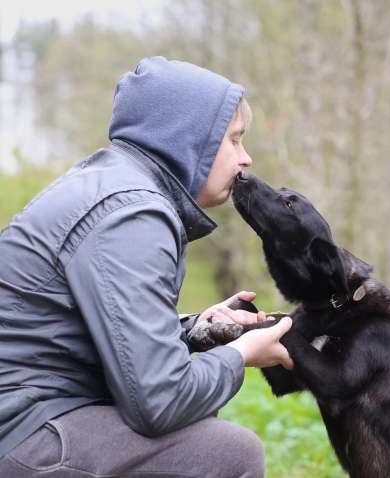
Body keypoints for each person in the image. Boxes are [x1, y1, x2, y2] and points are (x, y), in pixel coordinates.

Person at [0, 56, 293, 478]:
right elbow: (161, 401)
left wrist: (194, 332)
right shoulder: (132, 216)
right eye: (233, 140)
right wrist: (240, 353)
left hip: (29, 420)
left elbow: (92, 341)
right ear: (189, 139)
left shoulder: (116, 190)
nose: (245, 158)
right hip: (24, 433)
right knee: (227, 453)